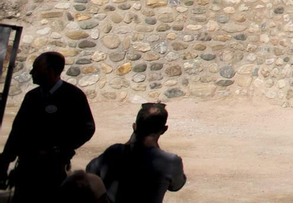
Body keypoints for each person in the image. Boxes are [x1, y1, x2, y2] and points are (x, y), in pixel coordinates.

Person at [0, 51, 97, 201]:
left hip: (53, 172)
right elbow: (17, 131)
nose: (32, 72)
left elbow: (87, 128)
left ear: (50, 71)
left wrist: (60, 149)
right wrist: (5, 161)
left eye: (36, 68)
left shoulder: (73, 96)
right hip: (26, 171)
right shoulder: (32, 97)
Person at [87, 102, 186, 203]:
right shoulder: (171, 161)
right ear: (164, 130)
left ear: (134, 126)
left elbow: (90, 170)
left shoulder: (114, 151)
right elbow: (176, 186)